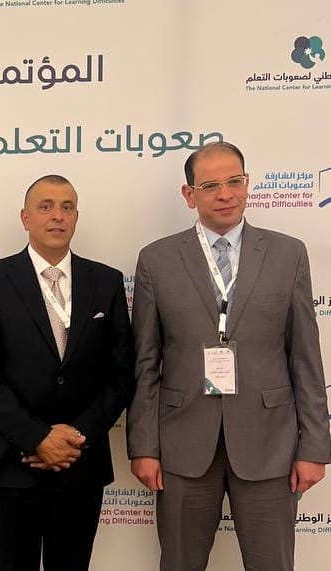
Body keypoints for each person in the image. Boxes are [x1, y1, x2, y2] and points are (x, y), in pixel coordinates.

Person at [126, 141, 331, 571]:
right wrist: (143, 446)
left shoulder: (288, 253)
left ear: (247, 184)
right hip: (182, 446)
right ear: (189, 195)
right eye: (211, 185)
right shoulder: (156, 260)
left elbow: (305, 358)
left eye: (234, 181)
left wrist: (314, 446)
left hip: (270, 444)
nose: (225, 194)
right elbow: (145, 364)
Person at [0, 174, 135, 571]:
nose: (57, 215)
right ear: (25, 218)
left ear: (76, 217)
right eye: (46, 207)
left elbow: (121, 373)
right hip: (11, 464)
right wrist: (37, 437)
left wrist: (76, 436)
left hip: (80, 463)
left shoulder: (106, 281)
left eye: (67, 207)